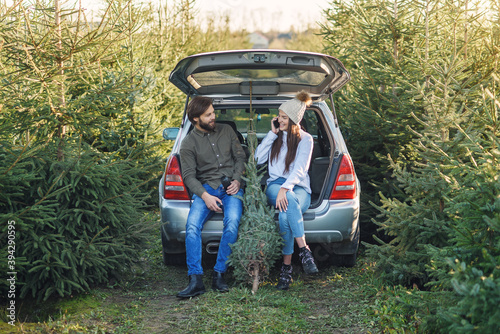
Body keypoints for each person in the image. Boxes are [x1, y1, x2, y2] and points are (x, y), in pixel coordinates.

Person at [177, 96, 246, 298]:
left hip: (231, 188)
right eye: (209, 115)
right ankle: (195, 279)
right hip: (206, 189)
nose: (213, 117)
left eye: (213, 112)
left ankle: (219, 274)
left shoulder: (227, 131)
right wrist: (205, 196)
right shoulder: (188, 143)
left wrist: (237, 180)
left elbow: (240, 157)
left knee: (232, 222)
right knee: (192, 226)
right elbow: (189, 176)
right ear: (196, 119)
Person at [255, 91, 319, 291]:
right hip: (275, 186)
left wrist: (286, 188)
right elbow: (257, 159)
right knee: (288, 201)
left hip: (299, 187)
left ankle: (286, 268)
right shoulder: (275, 137)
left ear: (293, 120)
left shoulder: (305, 139)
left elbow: (300, 170)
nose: (278, 120)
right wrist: (271, 134)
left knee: (285, 215)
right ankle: (305, 250)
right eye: (279, 116)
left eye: (283, 117)